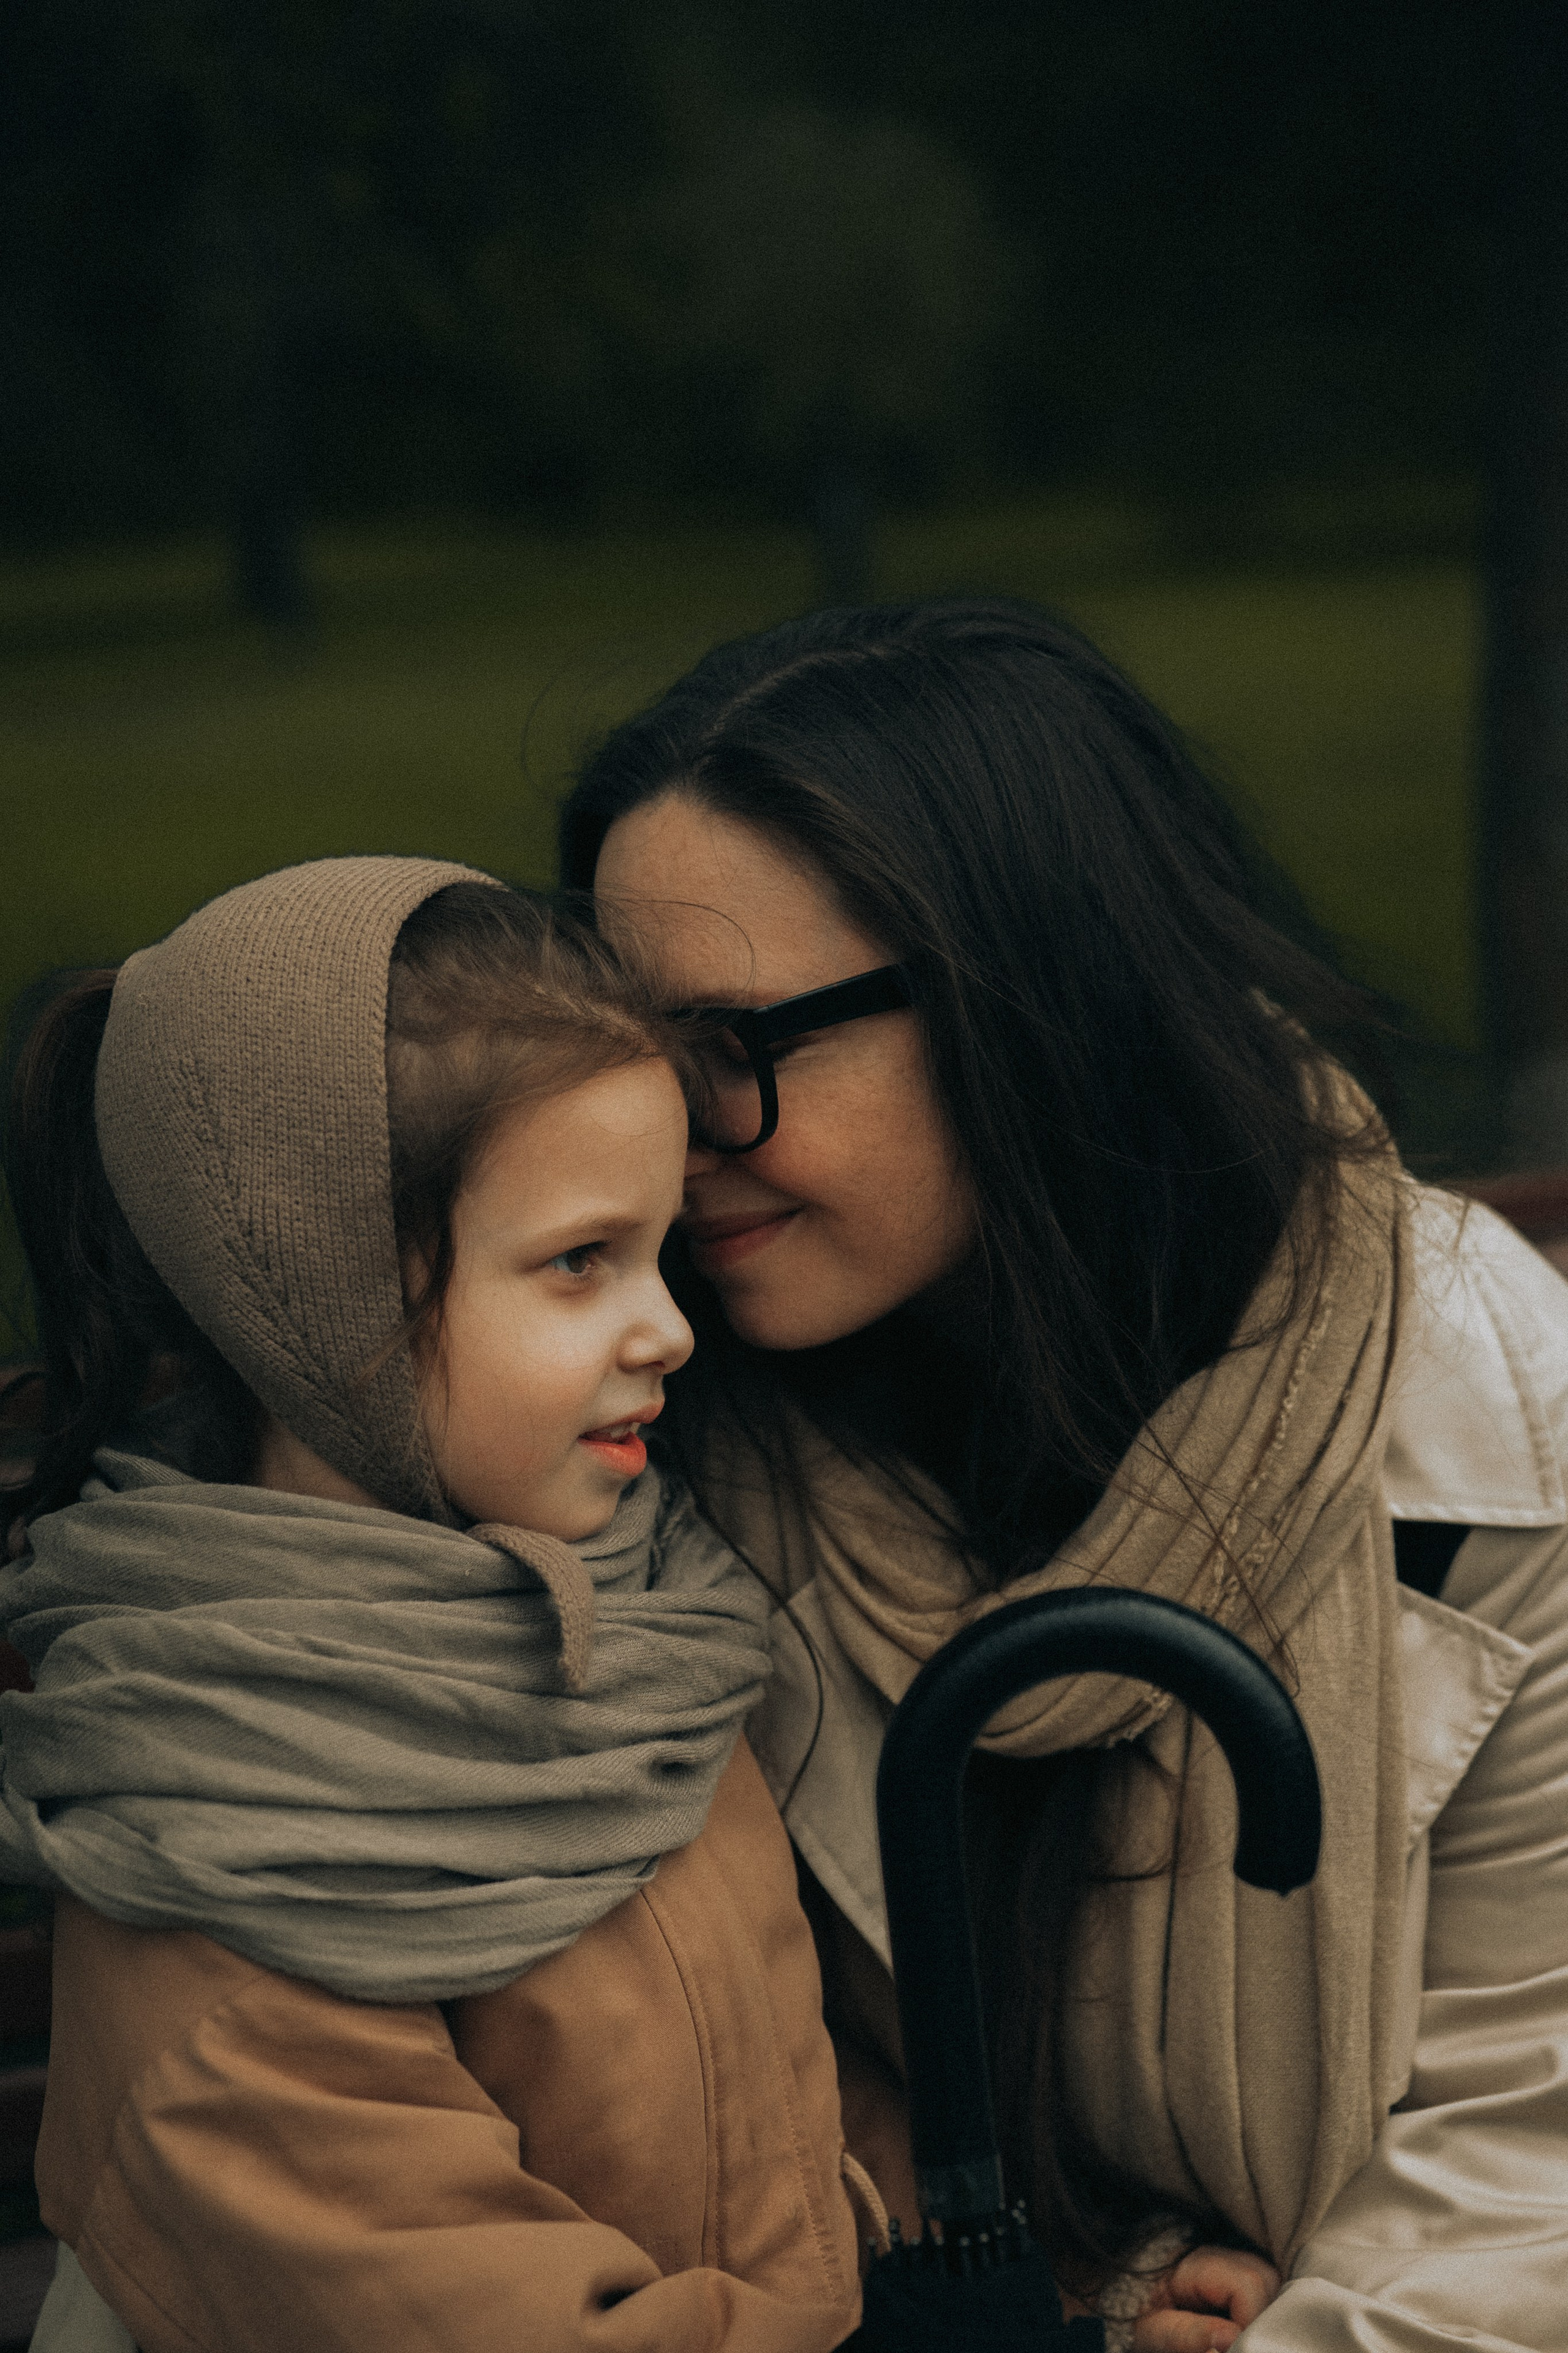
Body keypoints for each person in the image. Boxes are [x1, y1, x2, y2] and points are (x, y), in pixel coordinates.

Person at [560, 597, 1568, 2353]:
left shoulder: (1488, 1425)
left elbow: (1523, 2144)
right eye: (631, 1054)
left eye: (736, 1048)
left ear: (1025, 1000)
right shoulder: (622, 1421)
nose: (671, 1133)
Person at [0, 856, 871, 2353]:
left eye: (657, 1251)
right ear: (321, 1291)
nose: (668, 1327)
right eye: (580, 1261)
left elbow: (781, 2136)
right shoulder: (227, 1819)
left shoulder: (640, 1627)